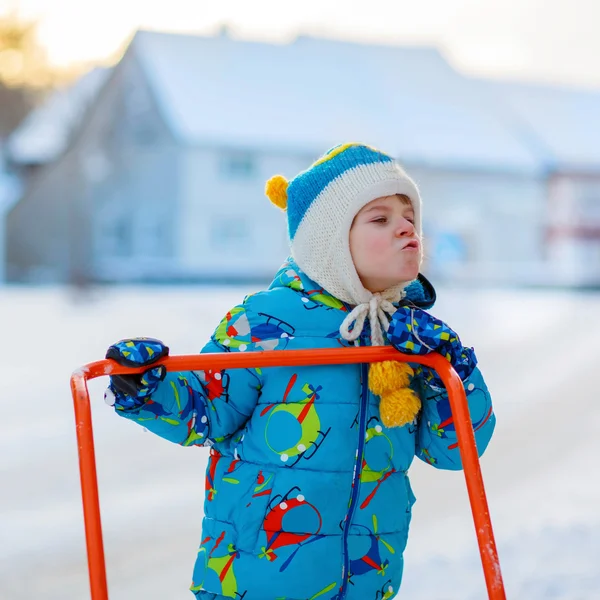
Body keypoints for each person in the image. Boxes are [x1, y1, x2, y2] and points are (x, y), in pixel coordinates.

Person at [104, 143, 495, 600]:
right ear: (330, 243)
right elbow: (206, 408)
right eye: (381, 218)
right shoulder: (268, 322)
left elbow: (455, 452)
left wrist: (451, 369)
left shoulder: (407, 338)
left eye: (410, 216)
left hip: (366, 582)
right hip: (257, 579)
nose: (406, 227)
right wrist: (145, 387)